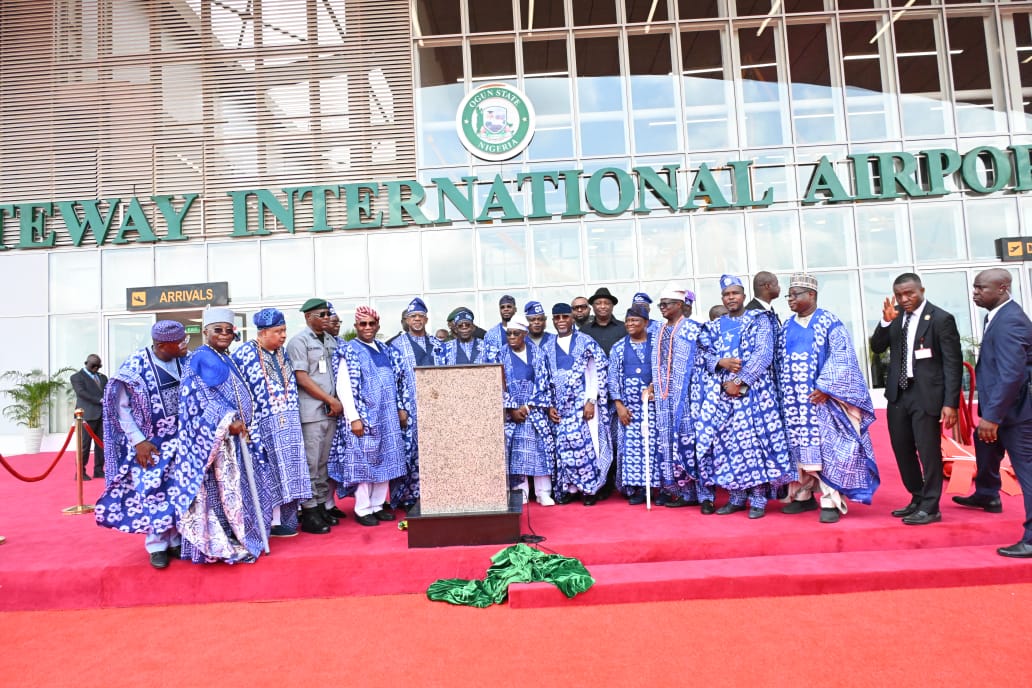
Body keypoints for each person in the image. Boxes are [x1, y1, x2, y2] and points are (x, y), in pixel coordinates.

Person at [174, 307, 277, 564]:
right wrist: (227, 422)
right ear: (205, 332)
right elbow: (196, 398)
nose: (223, 334)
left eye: (228, 330)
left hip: (237, 440)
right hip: (215, 443)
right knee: (215, 495)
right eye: (217, 330)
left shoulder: (225, 357)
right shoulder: (199, 358)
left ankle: (240, 534)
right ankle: (214, 544)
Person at [777, 273, 880, 523]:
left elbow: (843, 357)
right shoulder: (787, 326)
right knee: (799, 452)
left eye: (795, 295)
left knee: (828, 451)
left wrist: (826, 388)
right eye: (788, 295)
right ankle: (802, 497)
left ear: (811, 295)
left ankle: (830, 500)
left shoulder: (829, 322)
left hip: (823, 402)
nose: (790, 299)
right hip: (793, 405)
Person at [693, 274, 793, 518]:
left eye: (735, 293)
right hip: (723, 396)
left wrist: (739, 381)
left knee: (754, 444)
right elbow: (700, 355)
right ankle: (736, 498)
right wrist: (719, 361)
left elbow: (763, 355)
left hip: (755, 394)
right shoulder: (714, 326)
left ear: (744, 296)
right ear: (722, 298)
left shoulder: (759, 320)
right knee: (726, 445)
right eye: (727, 295)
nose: (731, 298)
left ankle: (758, 499)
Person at [95, 321, 189, 570]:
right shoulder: (135, 365)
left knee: (177, 490)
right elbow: (120, 408)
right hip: (150, 443)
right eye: (179, 342)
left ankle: (176, 539)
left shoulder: (184, 360)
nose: (184, 345)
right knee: (153, 492)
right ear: (161, 345)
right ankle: (157, 545)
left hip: (180, 440)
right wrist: (139, 441)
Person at [870, 272, 962, 526]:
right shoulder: (896, 315)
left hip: (927, 395)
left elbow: (953, 364)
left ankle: (931, 506)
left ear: (921, 290)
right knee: (902, 449)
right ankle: (917, 496)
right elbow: (877, 347)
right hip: (898, 394)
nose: (904, 299)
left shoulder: (941, 319)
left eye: (909, 293)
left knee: (928, 450)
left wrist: (950, 403)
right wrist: (885, 322)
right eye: (899, 294)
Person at [956, 269, 1032, 557]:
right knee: (984, 443)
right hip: (1003, 409)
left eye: (980, 288)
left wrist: (993, 417)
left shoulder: (1011, 321)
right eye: (974, 287)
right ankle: (988, 494)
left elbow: (1012, 375)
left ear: (1001, 288)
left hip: (1017, 414)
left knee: (1028, 473)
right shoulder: (997, 316)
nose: (974, 292)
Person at [231, 308, 312, 538]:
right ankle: (270, 521)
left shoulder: (282, 353)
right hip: (262, 425)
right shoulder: (244, 354)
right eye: (278, 331)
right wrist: (247, 424)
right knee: (269, 471)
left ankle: (287, 518)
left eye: (284, 330)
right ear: (263, 332)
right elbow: (240, 393)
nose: (283, 335)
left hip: (289, 423)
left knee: (291, 470)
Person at [329, 306, 411, 526]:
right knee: (365, 462)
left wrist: (400, 408)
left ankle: (377, 505)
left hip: (387, 415)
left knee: (387, 459)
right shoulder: (350, 350)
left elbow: (399, 379)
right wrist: (353, 417)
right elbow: (343, 387)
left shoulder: (385, 349)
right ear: (355, 327)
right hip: (364, 416)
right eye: (362, 324)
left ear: (378, 325)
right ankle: (363, 508)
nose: (367, 328)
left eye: (371, 323)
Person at [541, 303, 611, 505]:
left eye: (565, 317)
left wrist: (591, 400)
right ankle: (571, 488)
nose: (561, 321)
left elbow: (596, 371)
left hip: (583, 405)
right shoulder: (546, 347)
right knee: (564, 448)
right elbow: (545, 378)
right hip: (560, 408)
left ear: (572, 318)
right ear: (552, 321)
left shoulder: (586, 342)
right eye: (557, 318)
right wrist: (549, 406)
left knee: (586, 446)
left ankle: (590, 490)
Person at [285, 298, 343, 534]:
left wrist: (335, 401)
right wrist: (329, 399)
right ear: (308, 317)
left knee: (322, 464)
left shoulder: (330, 340)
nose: (327, 318)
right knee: (311, 463)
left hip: (330, 411)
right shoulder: (299, 341)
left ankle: (320, 506)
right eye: (322, 314)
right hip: (312, 411)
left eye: (328, 314)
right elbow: (302, 377)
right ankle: (309, 511)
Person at [388, 297, 442, 510]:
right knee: (411, 452)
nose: (417, 320)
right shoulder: (396, 346)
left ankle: (434, 492)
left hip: (436, 408)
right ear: (406, 320)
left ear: (426, 319)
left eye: (420, 316)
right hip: (411, 408)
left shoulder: (438, 345)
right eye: (413, 317)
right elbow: (395, 380)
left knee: (435, 451)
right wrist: (400, 407)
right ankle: (409, 495)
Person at [653, 285, 704, 507]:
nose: (662, 308)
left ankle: (703, 494)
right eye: (661, 304)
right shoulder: (658, 330)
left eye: (667, 304)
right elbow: (659, 363)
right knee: (667, 444)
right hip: (664, 397)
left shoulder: (695, 328)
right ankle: (683, 492)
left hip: (689, 397)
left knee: (691, 443)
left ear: (681, 306)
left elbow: (707, 358)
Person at [499, 314, 557, 506]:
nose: (512, 337)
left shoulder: (538, 353)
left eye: (516, 333)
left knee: (540, 449)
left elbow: (544, 383)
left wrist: (528, 406)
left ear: (524, 334)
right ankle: (521, 491)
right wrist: (512, 408)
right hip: (511, 413)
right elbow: (496, 384)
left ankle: (543, 492)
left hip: (535, 410)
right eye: (509, 334)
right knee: (516, 451)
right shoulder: (501, 354)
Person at [608, 305, 660, 505]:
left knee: (656, 447)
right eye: (628, 321)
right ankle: (637, 488)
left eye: (635, 321)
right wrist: (619, 406)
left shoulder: (657, 345)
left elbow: (665, 369)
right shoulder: (619, 347)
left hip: (655, 406)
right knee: (632, 449)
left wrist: (654, 387)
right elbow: (612, 378)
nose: (630, 324)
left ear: (646, 323)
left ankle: (659, 488)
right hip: (630, 409)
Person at [70, 354, 108, 479]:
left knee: (101, 444)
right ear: (86, 363)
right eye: (93, 366)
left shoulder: (103, 378)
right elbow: (81, 393)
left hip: (102, 415)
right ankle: (80, 472)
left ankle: (99, 470)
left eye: (98, 366)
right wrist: (100, 400)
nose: (96, 368)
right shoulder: (76, 377)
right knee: (84, 446)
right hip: (85, 416)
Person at [435, 308, 500, 365]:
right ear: (456, 329)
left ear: (473, 328)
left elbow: (495, 371)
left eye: (467, 325)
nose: (464, 328)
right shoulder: (445, 349)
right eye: (460, 325)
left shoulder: (487, 347)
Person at [580, 287, 627, 354]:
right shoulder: (584, 331)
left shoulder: (624, 328)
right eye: (598, 303)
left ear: (612, 306)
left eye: (607, 303)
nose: (603, 306)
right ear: (592, 306)